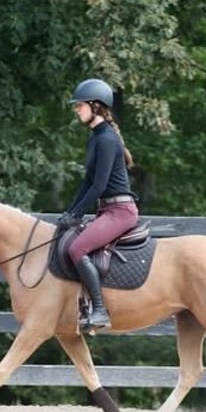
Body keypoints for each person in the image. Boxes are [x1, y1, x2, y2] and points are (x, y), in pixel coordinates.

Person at [56, 78, 139, 331]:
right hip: (107, 210)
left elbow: (99, 186)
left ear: (95, 106)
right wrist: (71, 213)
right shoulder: (96, 138)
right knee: (69, 237)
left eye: (79, 105)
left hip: (120, 211)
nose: (76, 109)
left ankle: (101, 311)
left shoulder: (105, 140)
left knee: (77, 249)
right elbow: (87, 183)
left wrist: (78, 213)